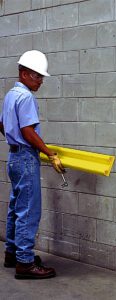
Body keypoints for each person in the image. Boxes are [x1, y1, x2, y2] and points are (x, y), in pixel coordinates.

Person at [0, 50, 65, 279]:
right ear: (25, 74)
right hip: (26, 158)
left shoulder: (10, 95)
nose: (41, 82)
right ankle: (25, 263)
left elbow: (2, 125)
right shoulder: (26, 97)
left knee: (15, 209)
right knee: (29, 211)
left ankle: (12, 254)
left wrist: (12, 135)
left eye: (41, 77)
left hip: (13, 157)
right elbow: (28, 131)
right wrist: (49, 153)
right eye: (38, 77)